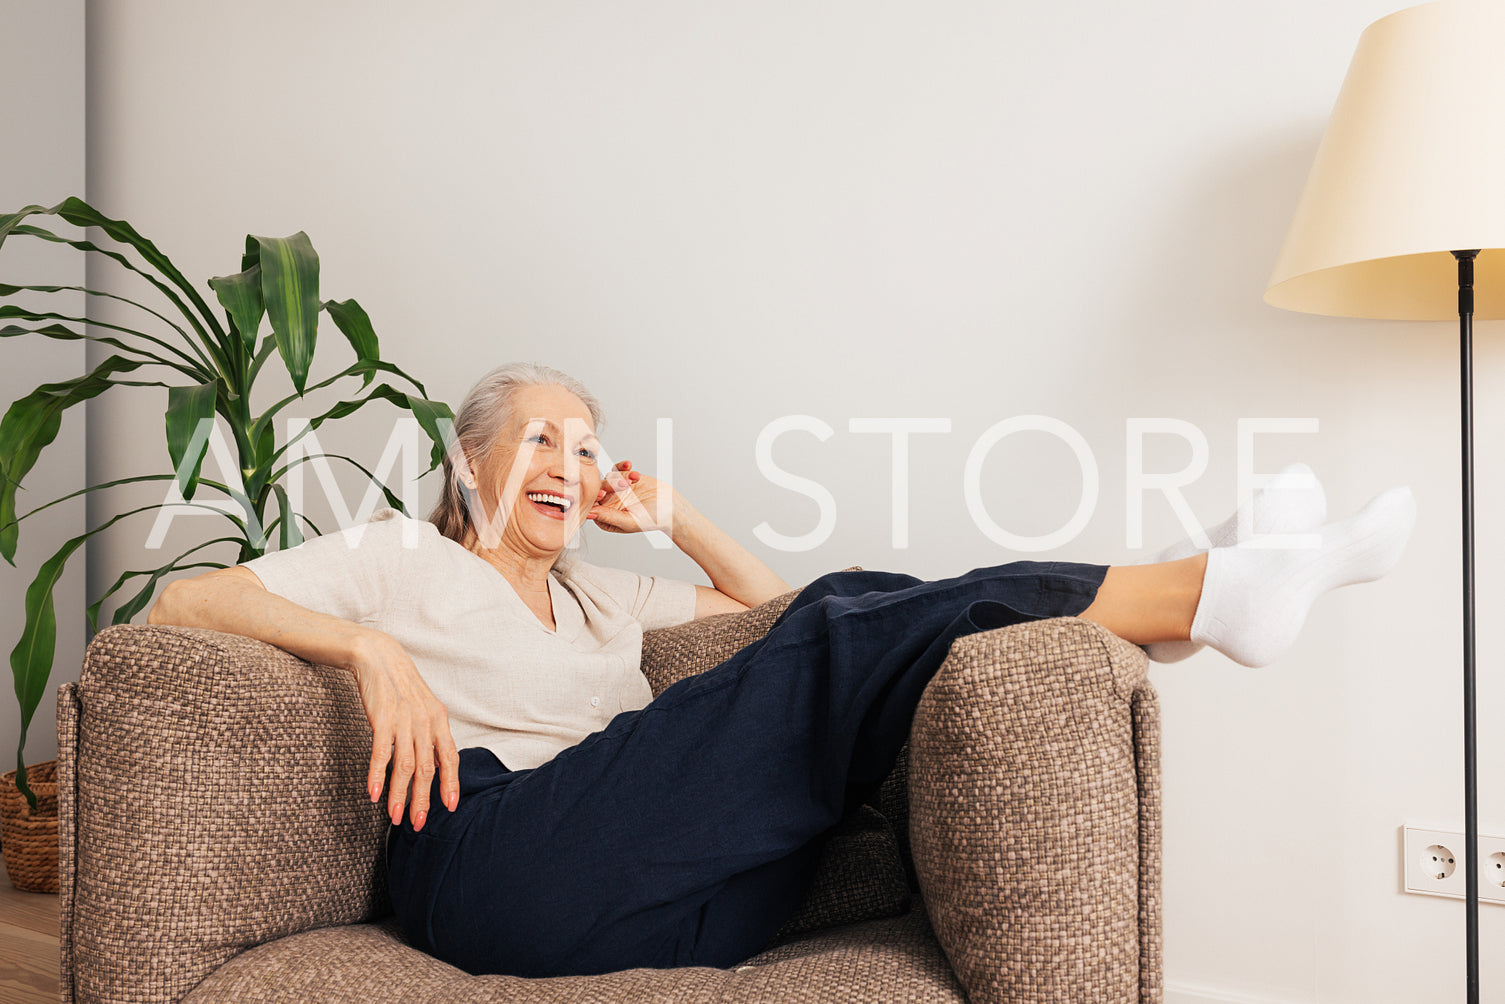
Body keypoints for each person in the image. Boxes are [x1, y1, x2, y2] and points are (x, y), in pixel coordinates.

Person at [147, 361, 1416, 978]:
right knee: (840, 629)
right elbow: (178, 595)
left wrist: (676, 511)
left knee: (846, 606)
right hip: (491, 866)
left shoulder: (606, 592)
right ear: (470, 460)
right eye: (539, 435)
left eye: (585, 445)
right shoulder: (398, 558)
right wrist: (367, 645)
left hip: (667, 892)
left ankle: (1203, 595)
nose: (567, 461)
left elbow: (782, 612)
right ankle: (1203, 591)